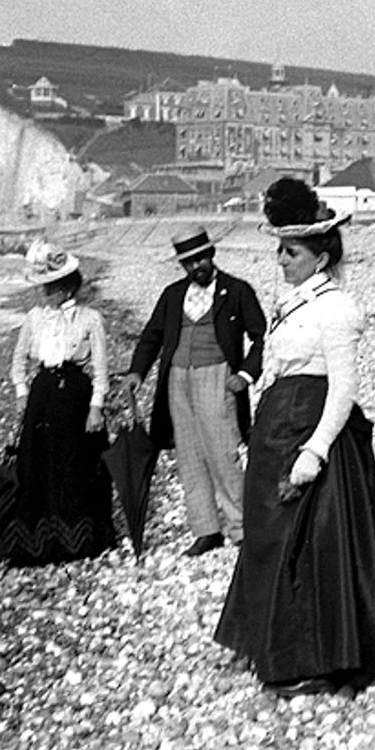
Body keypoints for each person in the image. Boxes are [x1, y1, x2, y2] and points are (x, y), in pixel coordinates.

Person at [214, 178, 375, 698]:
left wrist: (315, 451)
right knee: (269, 538)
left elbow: (344, 388)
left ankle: (323, 660)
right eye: (280, 248)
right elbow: (275, 371)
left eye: (291, 250)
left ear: (320, 259)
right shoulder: (293, 302)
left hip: (313, 436)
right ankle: (272, 642)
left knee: (313, 548)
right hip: (277, 431)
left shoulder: (335, 307)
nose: (281, 258)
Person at [125, 227, 267, 557]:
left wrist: (245, 374)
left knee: (223, 453)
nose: (196, 266)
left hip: (217, 376)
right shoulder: (173, 294)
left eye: (200, 258)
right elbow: (151, 336)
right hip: (177, 379)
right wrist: (137, 372)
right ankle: (206, 531)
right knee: (188, 456)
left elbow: (261, 337)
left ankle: (241, 528)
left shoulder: (237, 291)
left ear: (212, 255)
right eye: (188, 262)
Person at [0, 240, 116, 566]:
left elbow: (102, 368)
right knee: (36, 464)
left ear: (65, 288)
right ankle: (34, 543)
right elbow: (18, 360)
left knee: (74, 463)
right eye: (42, 289)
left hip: (76, 394)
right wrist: (21, 393)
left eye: (49, 289)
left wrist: (96, 406)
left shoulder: (90, 318)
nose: (43, 295)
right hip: (42, 394)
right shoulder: (34, 318)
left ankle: (76, 541)